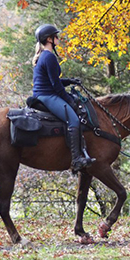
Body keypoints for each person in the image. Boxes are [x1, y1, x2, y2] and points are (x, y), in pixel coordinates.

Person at [31, 24, 95, 172]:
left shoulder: (44, 56)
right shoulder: (49, 56)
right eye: (56, 36)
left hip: (45, 93)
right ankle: (76, 159)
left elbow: (54, 80)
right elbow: (55, 85)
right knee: (73, 119)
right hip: (47, 96)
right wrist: (68, 99)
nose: (58, 38)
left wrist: (70, 81)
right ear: (49, 39)